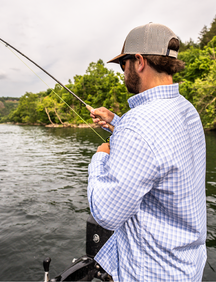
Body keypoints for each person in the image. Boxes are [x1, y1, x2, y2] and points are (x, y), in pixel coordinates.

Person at [88, 23, 207, 281]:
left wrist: (101, 155)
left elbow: (106, 212)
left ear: (139, 61)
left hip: (152, 272)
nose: (123, 72)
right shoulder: (187, 110)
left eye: (123, 65)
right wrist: (116, 123)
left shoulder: (139, 124)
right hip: (188, 267)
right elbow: (160, 147)